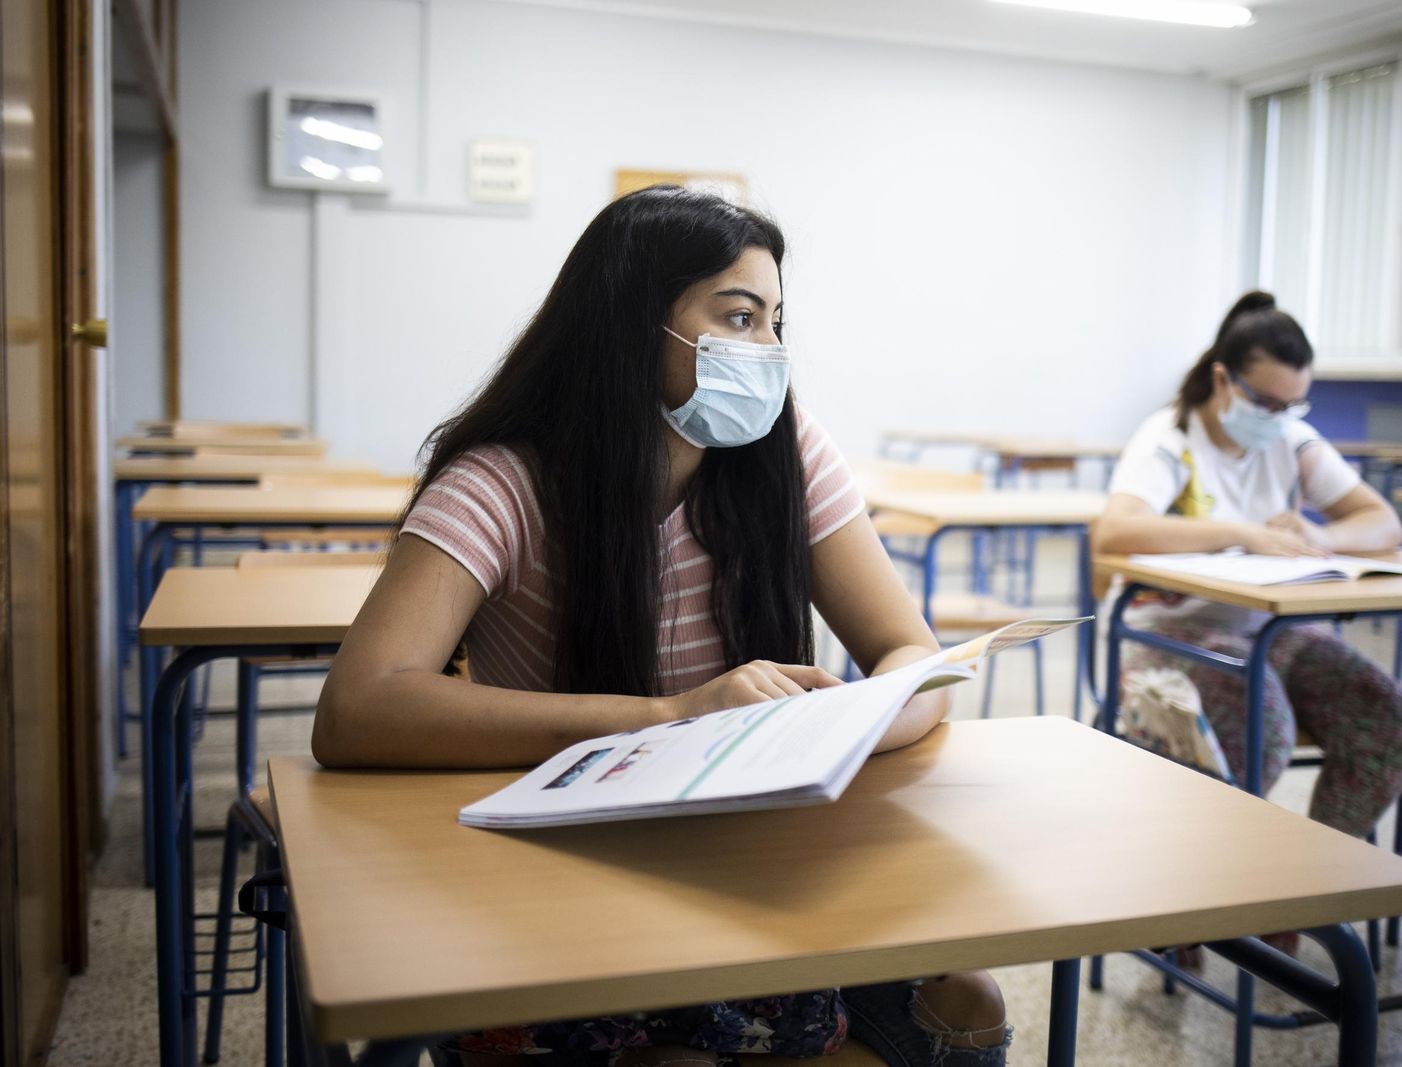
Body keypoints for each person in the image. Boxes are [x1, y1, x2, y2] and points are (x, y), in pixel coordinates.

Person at [313, 185, 1009, 1066]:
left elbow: (911, 654)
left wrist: (846, 725)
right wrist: (673, 716)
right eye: (739, 318)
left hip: (749, 853)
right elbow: (358, 708)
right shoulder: (504, 481)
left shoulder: (786, 455)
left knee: (971, 998)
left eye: (775, 324)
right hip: (573, 868)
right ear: (634, 324)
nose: (768, 351)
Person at [1094, 291, 1402, 942]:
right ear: (1224, 379)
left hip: (1266, 630)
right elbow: (1114, 533)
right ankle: (1201, 903)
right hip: (1166, 635)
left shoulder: (1291, 441)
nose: (1278, 417)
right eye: (1266, 402)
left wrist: (1323, 538)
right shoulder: (1170, 438)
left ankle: (1296, 892)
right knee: (1262, 724)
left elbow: (1382, 520)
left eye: (1291, 405)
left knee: (1386, 719)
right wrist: (1238, 531)